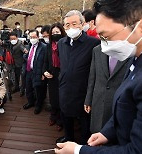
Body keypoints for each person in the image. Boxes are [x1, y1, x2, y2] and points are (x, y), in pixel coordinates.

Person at [55, 0, 142, 153]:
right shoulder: (135, 58)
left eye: (106, 36)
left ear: (141, 27)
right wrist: (107, 132)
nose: (104, 45)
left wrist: (78, 151)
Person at [56, 10, 100, 144]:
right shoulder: (61, 43)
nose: (70, 28)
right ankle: (68, 137)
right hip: (64, 86)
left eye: (74, 24)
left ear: (82, 24)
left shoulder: (93, 43)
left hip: (83, 89)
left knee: (84, 119)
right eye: (67, 25)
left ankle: (83, 143)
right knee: (65, 113)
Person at [84, 45, 131, 133]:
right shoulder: (97, 50)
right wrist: (88, 99)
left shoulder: (131, 51)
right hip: (98, 100)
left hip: (119, 103)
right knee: (96, 132)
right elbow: (92, 76)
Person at [43, 22, 66, 131]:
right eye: (53, 32)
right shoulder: (48, 46)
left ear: (62, 32)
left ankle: (61, 120)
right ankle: (53, 116)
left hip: (63, 74)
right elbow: (45, 61)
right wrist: (45, 72)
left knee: (62, 98)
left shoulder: (66, 45)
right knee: (53, 98)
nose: (55, 34)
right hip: (51, 75)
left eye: (57, 32)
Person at [23, 29, 46, 114]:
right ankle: (30, 102)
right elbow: (26, 57)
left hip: (38, 71)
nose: (33, 39)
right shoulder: (28, 45)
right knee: (28, 88)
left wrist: (43, 72)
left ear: (38, 37)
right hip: (29, 70)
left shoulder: (44, 47)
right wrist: (25, 54)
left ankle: (38, 105)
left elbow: (45, 61)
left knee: (38, 89)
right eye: (31, 37)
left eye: (34, 37)